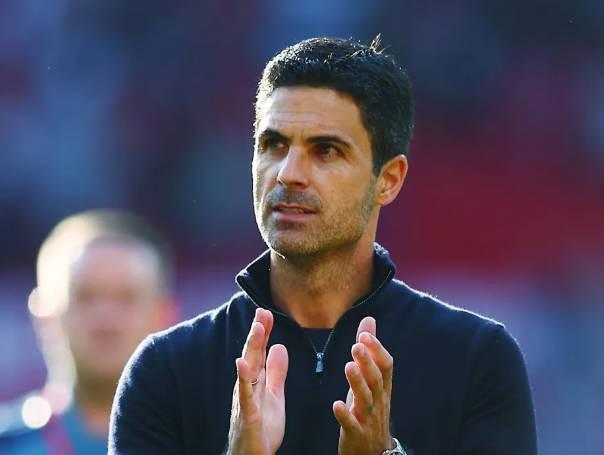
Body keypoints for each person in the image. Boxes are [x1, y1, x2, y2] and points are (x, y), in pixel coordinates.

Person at [109, 37, 537, 455]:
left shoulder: (476, 359)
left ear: (388, 180)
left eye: (326, 150)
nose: (288, 173)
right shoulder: (165, 369)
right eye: (273, 145)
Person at [0, 210, 177, 454]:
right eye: (84, 297)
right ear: (43, 316)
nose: (105, 318)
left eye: (126, 298)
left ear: (164, 316)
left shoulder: (208, 442)